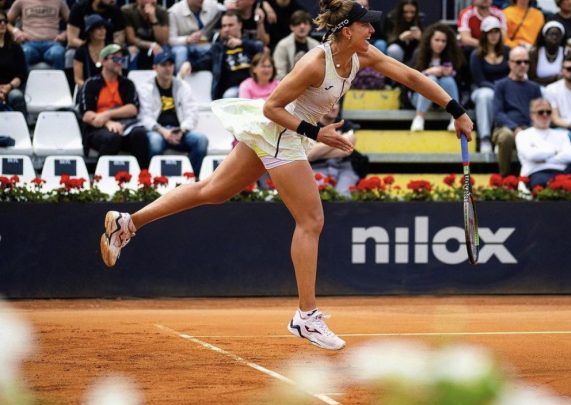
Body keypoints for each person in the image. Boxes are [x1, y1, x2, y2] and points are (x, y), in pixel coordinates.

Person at [98, 0, 473, 351]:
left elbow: (410, 75)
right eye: (365, 26)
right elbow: (272, 106)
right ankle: (306, 316)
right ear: (346, 31)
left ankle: (128, 223)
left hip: (284, 132)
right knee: (311, 220)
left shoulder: (362, 54)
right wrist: (317, 133)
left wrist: (455, 109)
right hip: (281, 131)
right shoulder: (314, 62)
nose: (372, 32)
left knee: (212, 191)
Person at [80, 44, 150, 168]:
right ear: (103, 61)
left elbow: (132, 109)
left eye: (122, 59)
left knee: (140, 134)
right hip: (97, 130)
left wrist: (107, 115)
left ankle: (144, 178)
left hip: (125, 125)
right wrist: (108, 123)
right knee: (112, 137)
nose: (120, 62)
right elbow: (87, 115)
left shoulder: (127, 83)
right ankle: (99, 178)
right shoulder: (91, 83)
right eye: (116, 59)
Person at [138, 51, 208, 175]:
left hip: (180, 131)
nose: (168, 68)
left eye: (170, 65)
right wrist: (163, 132)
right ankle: (152, 181)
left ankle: (191, 179)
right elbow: (145, 117)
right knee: (155, 142)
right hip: (157, 131)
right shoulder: (146, 88)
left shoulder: (183, 86)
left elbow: (192, 113)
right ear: (155, 68)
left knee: (201, 140)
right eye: (163, 65)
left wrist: (182, 130)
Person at [190, 10, 263, 99]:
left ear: (240, 25)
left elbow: (260, 47)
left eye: (230, 25)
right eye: (224, 26)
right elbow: (202, 62)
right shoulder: (218, 48)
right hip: (232, 90)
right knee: (230, 95)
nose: (226, 29)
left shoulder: (249, 44)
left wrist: (241, 43)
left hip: (254, 86)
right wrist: (189, 65)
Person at [492, 46, 542, 176]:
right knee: (506, 137)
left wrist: (529, 130)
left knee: (536, 136)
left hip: (529, 128)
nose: (523, 65)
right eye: (518, 62)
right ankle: (505, 178)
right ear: (510, 63)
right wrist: (515, 128)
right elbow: (497, 113)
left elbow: (539, 112)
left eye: (526, 62)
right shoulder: (501, 85)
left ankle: (530, 179)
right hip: (505, 128)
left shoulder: (534, 88)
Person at [408, 22, 465, 132]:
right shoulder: (419, 54)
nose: (440, 44)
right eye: (437, 40)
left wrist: (451, 73)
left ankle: (455, 117)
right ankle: (419, 116)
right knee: (431, 79)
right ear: (429, 40)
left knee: (448, 80)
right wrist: (429, 72)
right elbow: (409, 79)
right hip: (419, 97)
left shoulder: (454, 56)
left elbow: (462, 82)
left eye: (443, 41)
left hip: (443, 100)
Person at [470, 16, 510, 153]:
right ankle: (485, 138)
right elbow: (479, 80)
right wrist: (498, 89)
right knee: (486, 96)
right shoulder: (476, 55)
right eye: (490, 32)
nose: (493, 35)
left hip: (506, 89)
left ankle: (500, 138)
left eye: (496, 31)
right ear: (484, 35)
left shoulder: (508, 51)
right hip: (482, 89)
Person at [516, 98, 571, 188]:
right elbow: (531, 155)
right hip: (534, 175)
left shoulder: (562, 134)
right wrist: (555, 151)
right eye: (540, 112)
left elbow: (569, 156)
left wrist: (543, 159)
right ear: (532, 115)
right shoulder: (523, 135)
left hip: (561, 174)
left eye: (548, 112)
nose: (545, 115)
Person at [308, 102, 359, 198]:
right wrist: (339, 138)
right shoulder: (311, 125)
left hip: (343, 168)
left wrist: (319, 146)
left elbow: (347, 150)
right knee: (319, 196)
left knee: (344, 196)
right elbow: (310, 154)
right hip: (317, 168)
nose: (334, 107)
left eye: (337, 104)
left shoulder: (346, 124)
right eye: (331, 104)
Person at [7, 0, 69, 69]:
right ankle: (23, 79)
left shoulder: (59, 1)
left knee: (58, 53)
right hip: (28, 43)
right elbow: (5, 21)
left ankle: (58, 79)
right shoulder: (21, 1)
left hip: (53, 43)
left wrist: (64, 34)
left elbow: (73, 22)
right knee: (23, 52)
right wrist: (16, 31)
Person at [168, 0, 220, 73]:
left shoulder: (212, 5)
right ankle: (180, 80)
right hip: (181, 45)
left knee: (213, 49)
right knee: (181, 52)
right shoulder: (174, 12)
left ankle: (214, 79)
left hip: (203, 43)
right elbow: (171, 40)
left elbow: (226, 8)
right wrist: (187, 39)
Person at [122, 0, 169, 70]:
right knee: (132, 52)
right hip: (136, 44)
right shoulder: (128, 11)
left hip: (158, 45)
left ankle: (163, 78)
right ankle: (131, 78)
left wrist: (153, 18)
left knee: (164, 51)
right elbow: (131, 38)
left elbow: (163, 40)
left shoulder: (162, 12)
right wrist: (150, 45)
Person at [273, 10, 319, 80]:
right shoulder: (282, 45)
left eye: (305, 23)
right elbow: (279, 74)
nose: (302, 26)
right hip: (289, 85)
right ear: (291, 27)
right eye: (298, 24)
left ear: (310, 27)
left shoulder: (316, 46)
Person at [0, 9, 27, 117]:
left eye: (4, 21)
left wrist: (8, 86)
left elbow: (22, 74)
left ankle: (24, 129)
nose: (2, 23)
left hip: (10, 87)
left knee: (17, 96)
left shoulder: (15, 47)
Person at [73, 14, 108, 88]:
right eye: (98, 28)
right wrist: (89, 88)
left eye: (104, 28)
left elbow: (118, 74)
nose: (103, 31)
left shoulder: (111, 49)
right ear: (90, 31)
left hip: (109, 90)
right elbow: (78, 79)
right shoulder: (81, 51)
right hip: (88, 89)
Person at [528, 21, 566, 87]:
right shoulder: (534, 53)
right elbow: (531, 79)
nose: (554, 37)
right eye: (552, 34)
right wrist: (554, 78)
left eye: (557, 35)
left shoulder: (566, 53)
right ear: (545, 36)